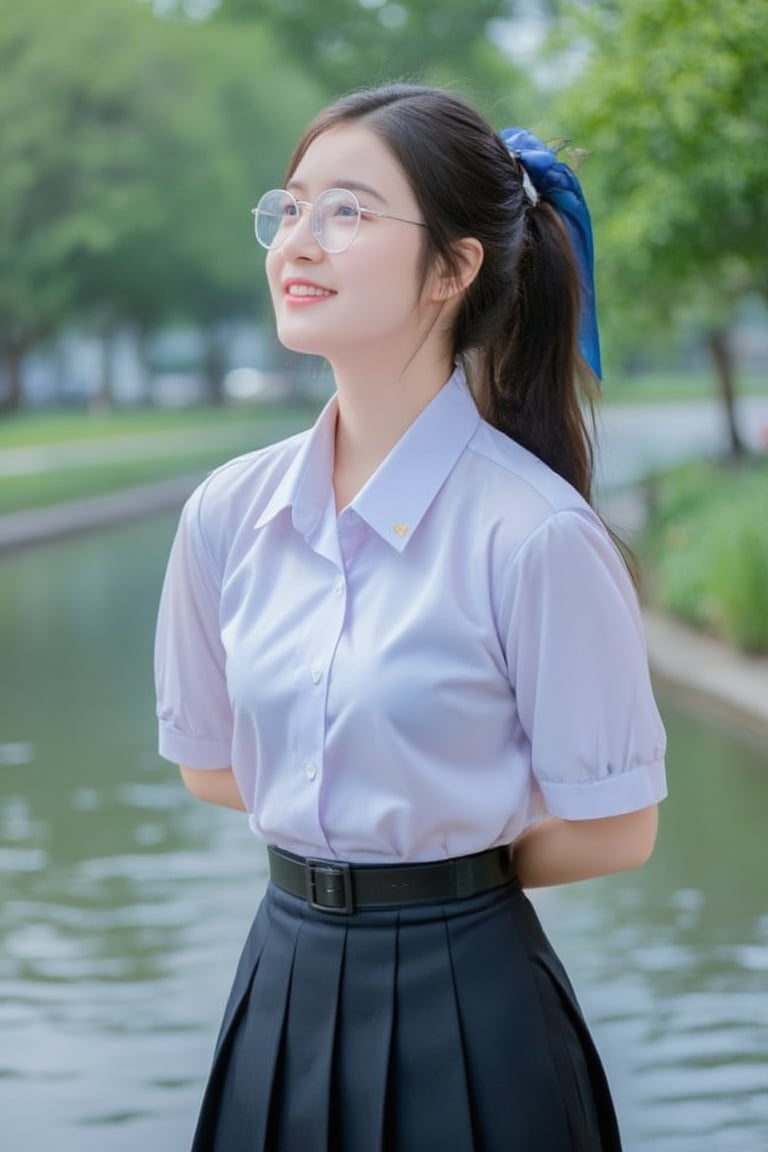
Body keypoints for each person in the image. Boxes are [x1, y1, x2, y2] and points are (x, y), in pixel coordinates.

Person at [154, 83, 667, 1152]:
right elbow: (209, 764)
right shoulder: (225, 515)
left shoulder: (535, 536)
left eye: (348, 211)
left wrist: (435, 862)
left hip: (471, 1006)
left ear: (453, 267)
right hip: (281, 988)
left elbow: (617, 827)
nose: (300, 241)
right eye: (289, 209)